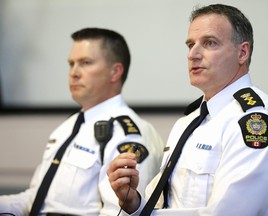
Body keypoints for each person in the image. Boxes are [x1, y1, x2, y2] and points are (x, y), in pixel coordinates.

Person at [107, 4, 268, 216]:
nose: (192, 54)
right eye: (190, 44)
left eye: (209, 43)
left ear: (242, 52)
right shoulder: (188, 122)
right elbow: (166, 202)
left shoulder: (257, 121)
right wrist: (134, 203)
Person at [0, 28, 164, 215]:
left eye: (86, 63)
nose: (74, 73)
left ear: (115, 72)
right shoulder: (67, 127)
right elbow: (35, 200)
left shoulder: (129, 134)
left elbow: (120, 212)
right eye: (71, 64)